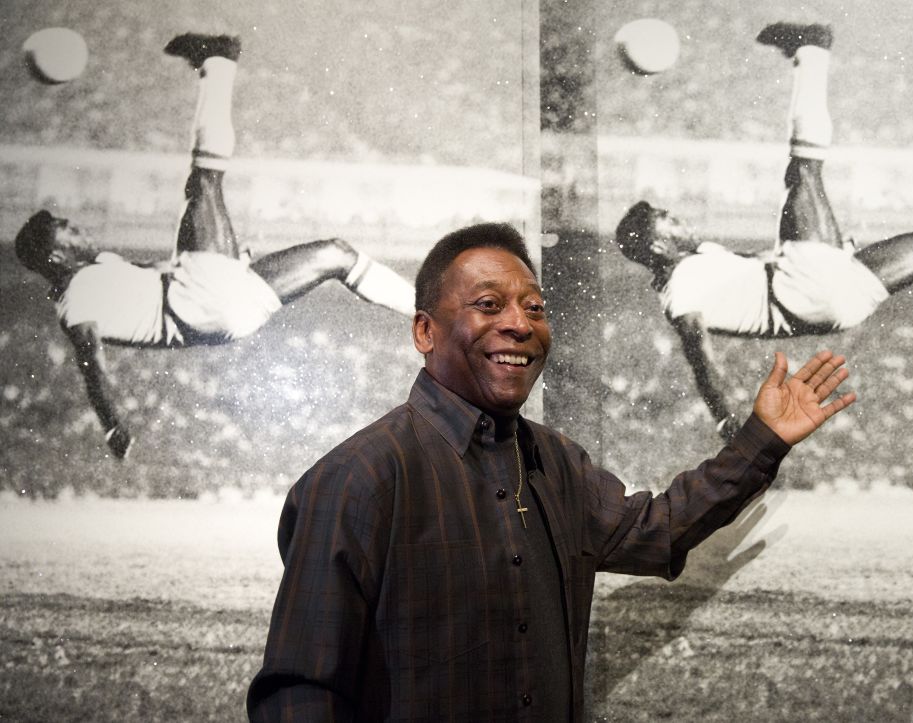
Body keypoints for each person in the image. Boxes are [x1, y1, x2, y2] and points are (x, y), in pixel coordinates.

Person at [246, 221, 856, 721]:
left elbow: (660, 529)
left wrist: (762, 441)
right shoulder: (357, 480)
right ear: (424, 331)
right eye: (488, 305)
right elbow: (300, 695)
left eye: (534, 307)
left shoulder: (557, 463)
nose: (519, 323)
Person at [614, 21, 913, 439]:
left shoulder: (701, 262)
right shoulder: (681, 288)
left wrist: (820, 251)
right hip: (803, 292)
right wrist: (726, 419)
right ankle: (811, 51)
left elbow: (746, 277)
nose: (678, 217)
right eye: (668, 218)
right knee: (803, 170)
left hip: (831, 297)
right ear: (657, 243)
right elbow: (698, 352)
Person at [14, 33, 415, 460]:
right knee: (204, 181)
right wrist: (112, 420)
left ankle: (429, 311)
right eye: (66, 230)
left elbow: (150, 283)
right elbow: (91, 364)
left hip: (225, 313)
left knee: (337, 253)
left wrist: (224, 262)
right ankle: (218, 62)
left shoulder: (99, 273)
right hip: (197, 302)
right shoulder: (77, 299)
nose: (77, 229)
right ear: (55, 256)